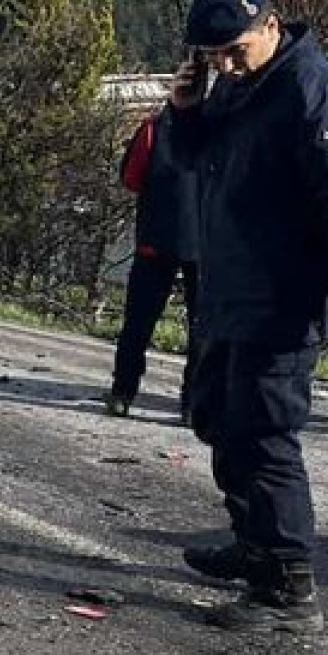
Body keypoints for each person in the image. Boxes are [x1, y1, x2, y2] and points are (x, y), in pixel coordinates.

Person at [168, 0, 328, 633]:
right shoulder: (235, 87)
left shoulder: (311, 90)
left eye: (236, 50)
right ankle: (254, 545)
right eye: (214, 55)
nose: (226, 64)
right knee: (217, 418)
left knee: (266, 436)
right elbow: (192, 161)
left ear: (271, 25)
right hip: (228, 292)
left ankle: (290, 585)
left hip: (282, 300)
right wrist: (186, 108)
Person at [103, 105, 198, 419]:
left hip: (155, 240)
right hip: (206, 246)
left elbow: (131, 178)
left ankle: (122, 392)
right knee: (203, 329)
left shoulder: (154, 130)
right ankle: (193, 403)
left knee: (137, 324)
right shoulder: (225, 130)